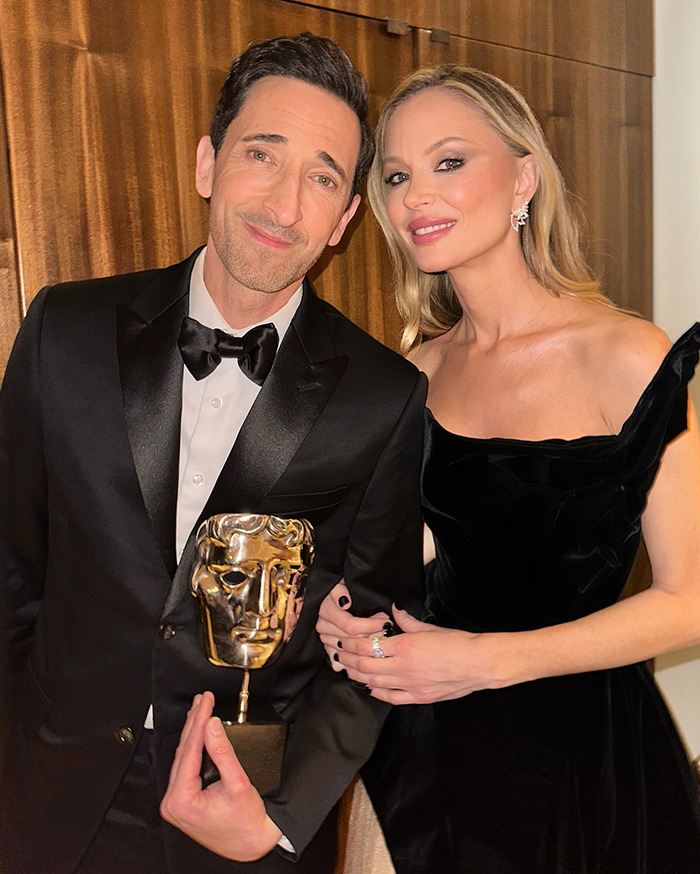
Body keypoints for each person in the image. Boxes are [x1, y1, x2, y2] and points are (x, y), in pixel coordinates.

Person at [0, 33, 427, 874]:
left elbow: (375, 645)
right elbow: (12, 565)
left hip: (241, 819)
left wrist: (281, 819)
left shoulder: (385, 396)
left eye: (322, 177)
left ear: (344, 218)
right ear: (207, 162)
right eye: (262, 154)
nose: (284, 204)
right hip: (44, 796)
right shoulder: (65, 329)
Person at [317, 65, 700, 873]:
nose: (418, 194)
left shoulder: (626, 355)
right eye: (397, 175)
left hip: (580, 762)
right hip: (424, 764)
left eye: (449, 162)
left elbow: (687, 603)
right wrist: (348, 615)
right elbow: (415, 558)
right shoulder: (413, 373)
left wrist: (484, 661)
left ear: (523, 175)